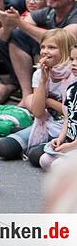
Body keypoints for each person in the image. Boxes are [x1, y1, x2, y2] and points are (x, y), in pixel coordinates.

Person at [0, 0, 77, 106]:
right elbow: (4, 36)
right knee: (12, 36)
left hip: (70, 70)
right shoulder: (49, 11)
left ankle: (40, 97)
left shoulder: (74, 15)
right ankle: (26, 94)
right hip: (55, 64)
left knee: (43, 43)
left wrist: (18, 22)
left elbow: (61, 39)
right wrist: (7, 22)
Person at [0, 29, 77, 168]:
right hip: (45, 125)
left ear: (64, 51)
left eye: (51, 47)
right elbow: (38, 112)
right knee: (3, 148)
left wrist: (49, 102)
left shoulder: (73, 73)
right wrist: (43, 81)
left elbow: (71, 111)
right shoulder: (39, 73)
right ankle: (29, 137)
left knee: (35, 156)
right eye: (43, 47)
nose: (45, 51)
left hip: (66, 129)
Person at [43, 42, 77, 170]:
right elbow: (68, 118)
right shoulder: (72, 89)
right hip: (71, 143)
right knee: (45, 161)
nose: (73, 63)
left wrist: (71, 146)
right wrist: (60, 139)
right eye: (72, 59)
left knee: (58, 166)